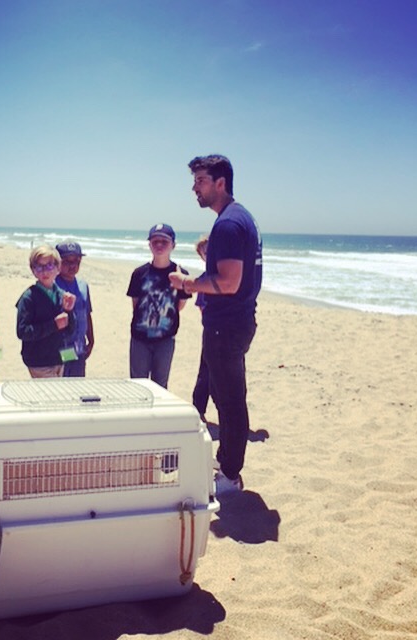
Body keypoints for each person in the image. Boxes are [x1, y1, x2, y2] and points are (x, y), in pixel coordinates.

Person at [169, 155, 262, 495]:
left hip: (228, 325)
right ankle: (227, 466)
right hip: (234, 322)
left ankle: (230, 475)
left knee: (230, 402)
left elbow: (230, 281)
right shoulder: (240, 218)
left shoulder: (228, 223)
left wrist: (187, 284)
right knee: (224, 395)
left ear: (220, 182)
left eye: (201, 180)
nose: (195, 187)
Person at [127, 223, 191, 389]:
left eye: (164, 241)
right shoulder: (139, 273)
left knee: (160, 385)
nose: (159, 245)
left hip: (165, 339)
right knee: (138, 384)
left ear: (173, 245)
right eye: (155, 241)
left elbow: (180, 306)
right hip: (140, 338)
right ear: (149, 245)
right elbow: (136, 305)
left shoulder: (181, 275)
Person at [16, 245, 76, 378]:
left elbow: (70, 329)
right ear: (33, 270)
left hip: (59, 357)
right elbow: (23, 331)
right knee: (49, 394)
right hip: (38, 361)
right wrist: (53, 325)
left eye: (49, 266)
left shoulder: (61, 295)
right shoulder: (29, 297)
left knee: (56, 395)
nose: (45, 272)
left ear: (58, 268)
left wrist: (69, 311)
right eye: (39, 267)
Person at [55, 241, 94, 376]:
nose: (72, 266)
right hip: (62, 347)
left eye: (76, 261)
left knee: (77, 385)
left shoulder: (83, 286)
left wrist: (92, 339)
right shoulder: (54, 286)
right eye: (66, 262)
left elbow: (87, 313)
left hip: (80, 346)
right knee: (63, 383)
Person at [192, 235, 210, 421]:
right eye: (205, 252)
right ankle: (199, 409)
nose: (209, 254)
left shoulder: (224, 275)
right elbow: (201, 306)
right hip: (211, 329)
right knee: (205, 371)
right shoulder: (203, 280)